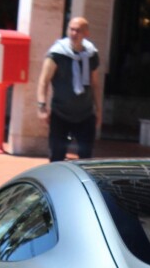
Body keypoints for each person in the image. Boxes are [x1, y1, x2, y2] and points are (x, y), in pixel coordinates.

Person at [36, 16, 101, 162]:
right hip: (61, 114)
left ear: (86, 34)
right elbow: (43, 81)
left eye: (78, 30)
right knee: (57, 156)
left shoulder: (91, 54)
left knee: (86, 157)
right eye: (71, 29)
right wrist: (41, 106)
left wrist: (99, 110)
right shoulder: (57, 53)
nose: (73, 33)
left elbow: (95, 84)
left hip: (85, 114)